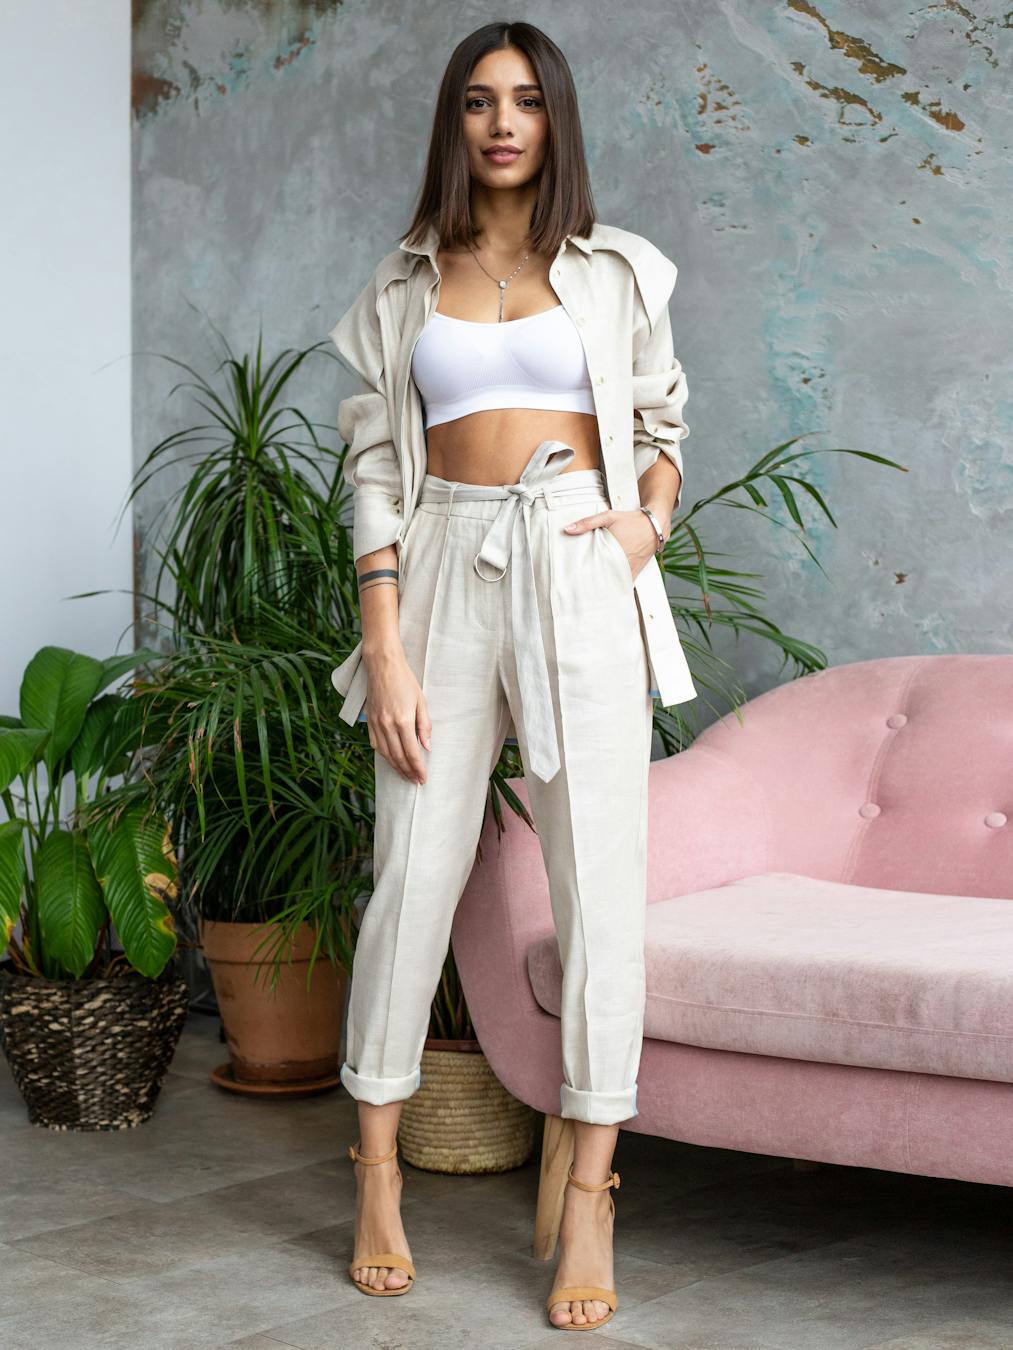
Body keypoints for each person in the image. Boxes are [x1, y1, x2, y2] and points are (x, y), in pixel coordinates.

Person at [327, 19, 697, 1333]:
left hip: (578, 560)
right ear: (454, 122)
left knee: (598, 882)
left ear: (554, 121)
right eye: (478, 101)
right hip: (435, 570)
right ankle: (374, 1174)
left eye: (524, 102)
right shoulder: (399, 284)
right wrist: (385, 645)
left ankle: (590, 1186)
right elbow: (372, 469)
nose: (500, 123)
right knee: (408, 881)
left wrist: (643, 521)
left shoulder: (613, 273)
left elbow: (659, 422)